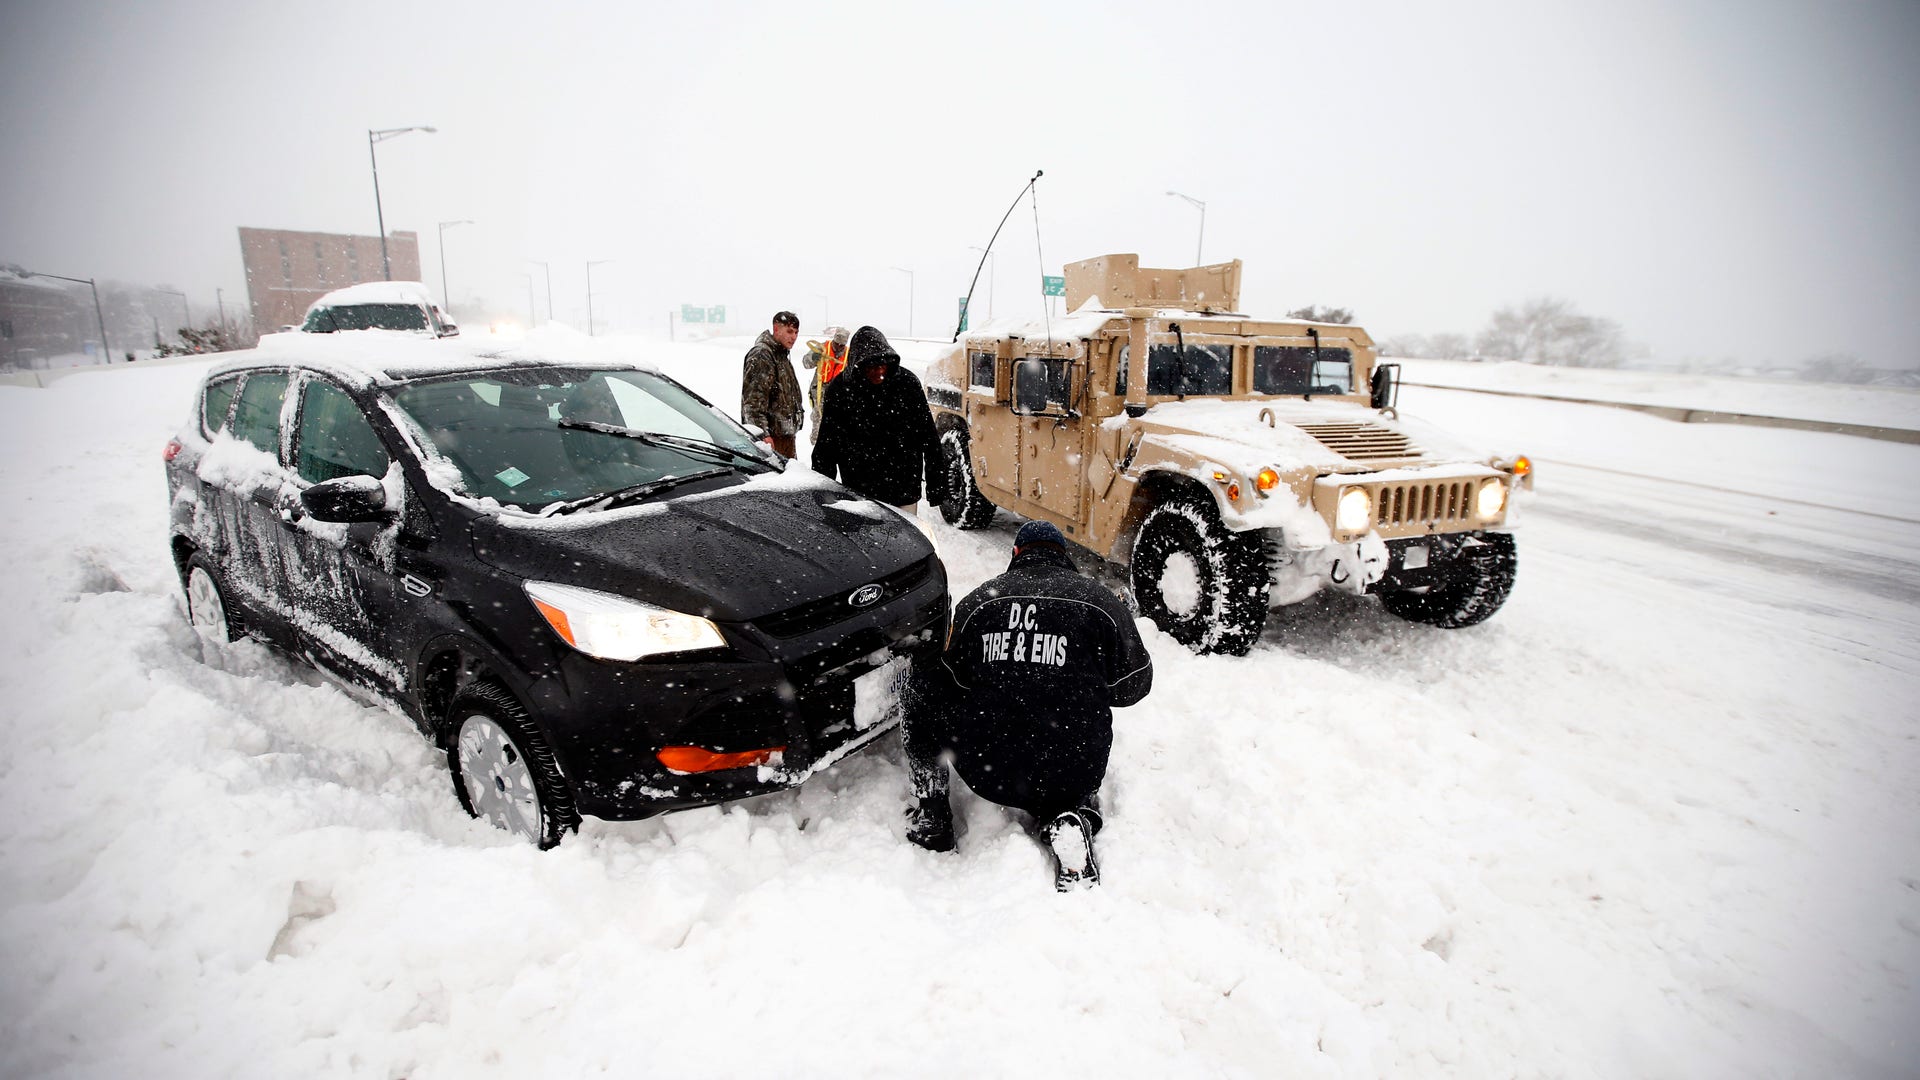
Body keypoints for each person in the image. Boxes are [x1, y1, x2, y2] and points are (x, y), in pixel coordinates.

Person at [903, 520, 1154, 891]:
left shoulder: (980, 601)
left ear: (1016, 554)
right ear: (1063, 557)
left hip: (990, 770)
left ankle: (933, 816)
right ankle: (1069, 815)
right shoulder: (1100, 603)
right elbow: (1135, 687)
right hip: (1074, 769)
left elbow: (952, 682)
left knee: (921, 680)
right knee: (1065, 755)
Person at [811, 325, 947, 513]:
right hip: (859, 491)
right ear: (858, 363)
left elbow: (929, 437)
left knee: (904, 541)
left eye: (883, 365)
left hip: (903, 490)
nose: (879, 372)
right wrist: (822, 495)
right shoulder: (841, 389)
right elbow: (827, 446)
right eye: (871, 366)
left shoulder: (907, 384)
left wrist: (937, 487)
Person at [740, 310, 804, 458]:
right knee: (776, 479)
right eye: (789, 331)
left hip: (786, 435)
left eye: (796, 332)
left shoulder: (781, 355)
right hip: (771, 440)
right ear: (776, 329)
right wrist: (762, 435)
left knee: (790, 479)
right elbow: (753, 402)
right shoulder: (763, 354)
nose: (793, 337)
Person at [801, 325, 851, 443]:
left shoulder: (849, 354)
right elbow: (805, 363)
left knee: (836, 420)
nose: (838, 347)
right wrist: (813, 358)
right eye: (836, 343)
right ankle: (816, 443)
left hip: (838, 392)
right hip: (819, 390)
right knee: (818, 419)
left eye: (841, 345)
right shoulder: (822, 347)